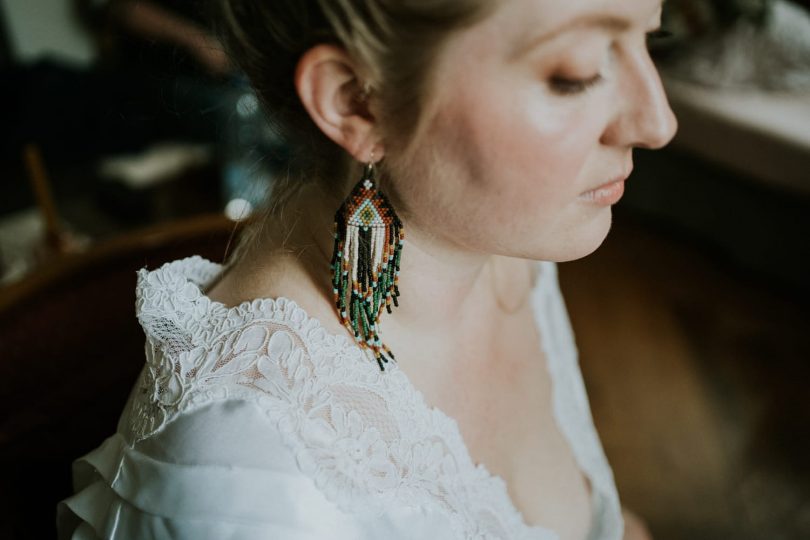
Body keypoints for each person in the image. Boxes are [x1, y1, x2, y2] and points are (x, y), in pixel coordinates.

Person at [57, 0, 677, 538]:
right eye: (576, 73)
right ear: (358, 102)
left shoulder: (506, 239)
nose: (658, 122)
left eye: (653, 38)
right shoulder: (253, 481)